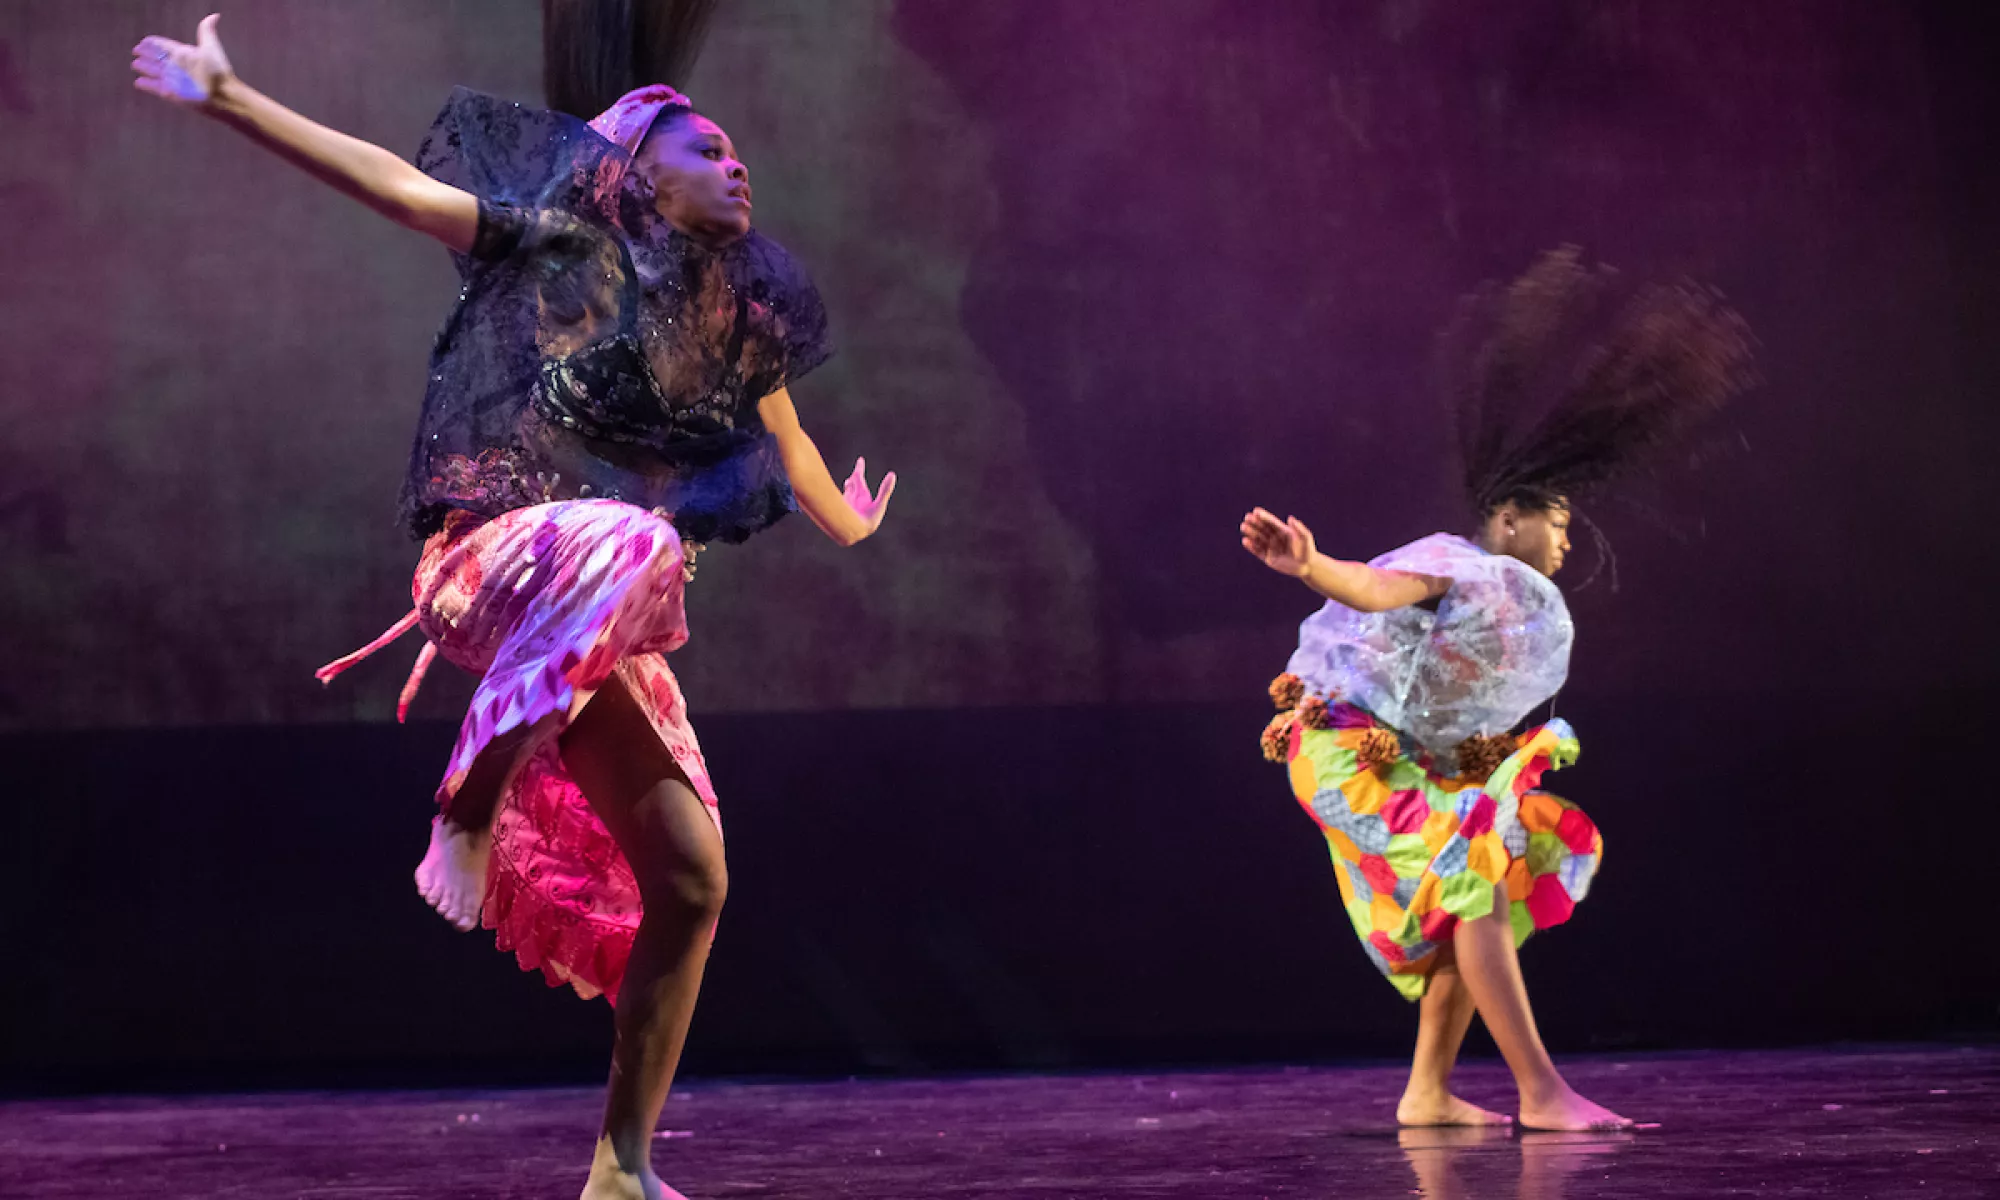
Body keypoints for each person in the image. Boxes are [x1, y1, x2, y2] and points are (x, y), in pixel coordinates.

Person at [132, 8, 894, 1197]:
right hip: (491, 561)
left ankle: (618, 1172)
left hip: (592, 615)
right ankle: (466, 807)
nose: (735, 162)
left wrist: (851, 520)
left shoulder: (728, 320)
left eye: (739, 152)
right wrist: (235, 101)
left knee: (692, 879)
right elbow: (397, 188)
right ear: (636, 171)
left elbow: (786, 439)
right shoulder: (561, 250)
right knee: (639, 538)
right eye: (706, 148)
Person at [1241, 247, 1752, 1132]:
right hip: (1340, 750)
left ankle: (1428, 1092)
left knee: (1479, 887)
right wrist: (1311, 564)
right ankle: (1542, 1093)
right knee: (1475, 874)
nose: (1563, 545)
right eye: (1554, 523)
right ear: (1509, 516)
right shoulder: (1457, 564)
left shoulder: (1496, 601)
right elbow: (1376, 586)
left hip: (1378, 752)